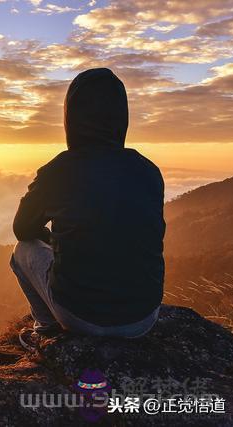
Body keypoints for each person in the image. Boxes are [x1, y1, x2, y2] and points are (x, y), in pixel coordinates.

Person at [10, 68, 165, 345]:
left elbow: (22, 229)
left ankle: (46, 331)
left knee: (22, 251)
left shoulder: (60, 170)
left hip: (80, 317)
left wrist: (54, 237)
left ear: (71, 117)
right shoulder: (148, 171)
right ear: (121, 118)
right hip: (143, 318)